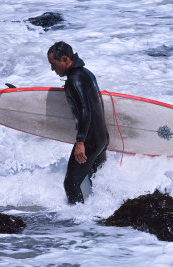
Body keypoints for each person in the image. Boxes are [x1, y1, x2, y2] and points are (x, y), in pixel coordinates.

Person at [47, 41, 109, 204]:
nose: (53, 69)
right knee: (96, 181)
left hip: (89, 141)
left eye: (54, 64)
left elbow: (85, 110)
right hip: (101, 137)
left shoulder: (74, 80)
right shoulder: (86, 74)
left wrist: (80, 142)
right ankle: (103, 213)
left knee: (71, 184)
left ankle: (79, 222)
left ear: (65, 59)